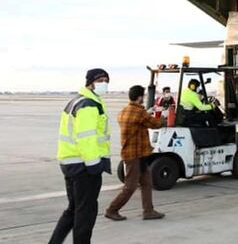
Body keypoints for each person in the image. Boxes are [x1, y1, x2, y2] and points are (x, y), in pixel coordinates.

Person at [49, 69, 112, 244]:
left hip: (71, 163)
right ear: (90, 82)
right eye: (100, 80)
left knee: (74, 209)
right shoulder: (88, 104)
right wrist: (94, 165)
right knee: (86, 212)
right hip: (84, 166)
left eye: (106, 80)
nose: (104, 83)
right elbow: (87, 138)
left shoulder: (78, 100)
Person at [105, 85, 165, 222]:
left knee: (147, 182)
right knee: (130, 186)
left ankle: (148, 211)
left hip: (138, 153)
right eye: (142, 96)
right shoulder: (139, 112)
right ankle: (112, 210)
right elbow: (155, 124)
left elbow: (140, 124)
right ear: (139, 97)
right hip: (134, 155)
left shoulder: (124, 111)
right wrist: (163, 118)